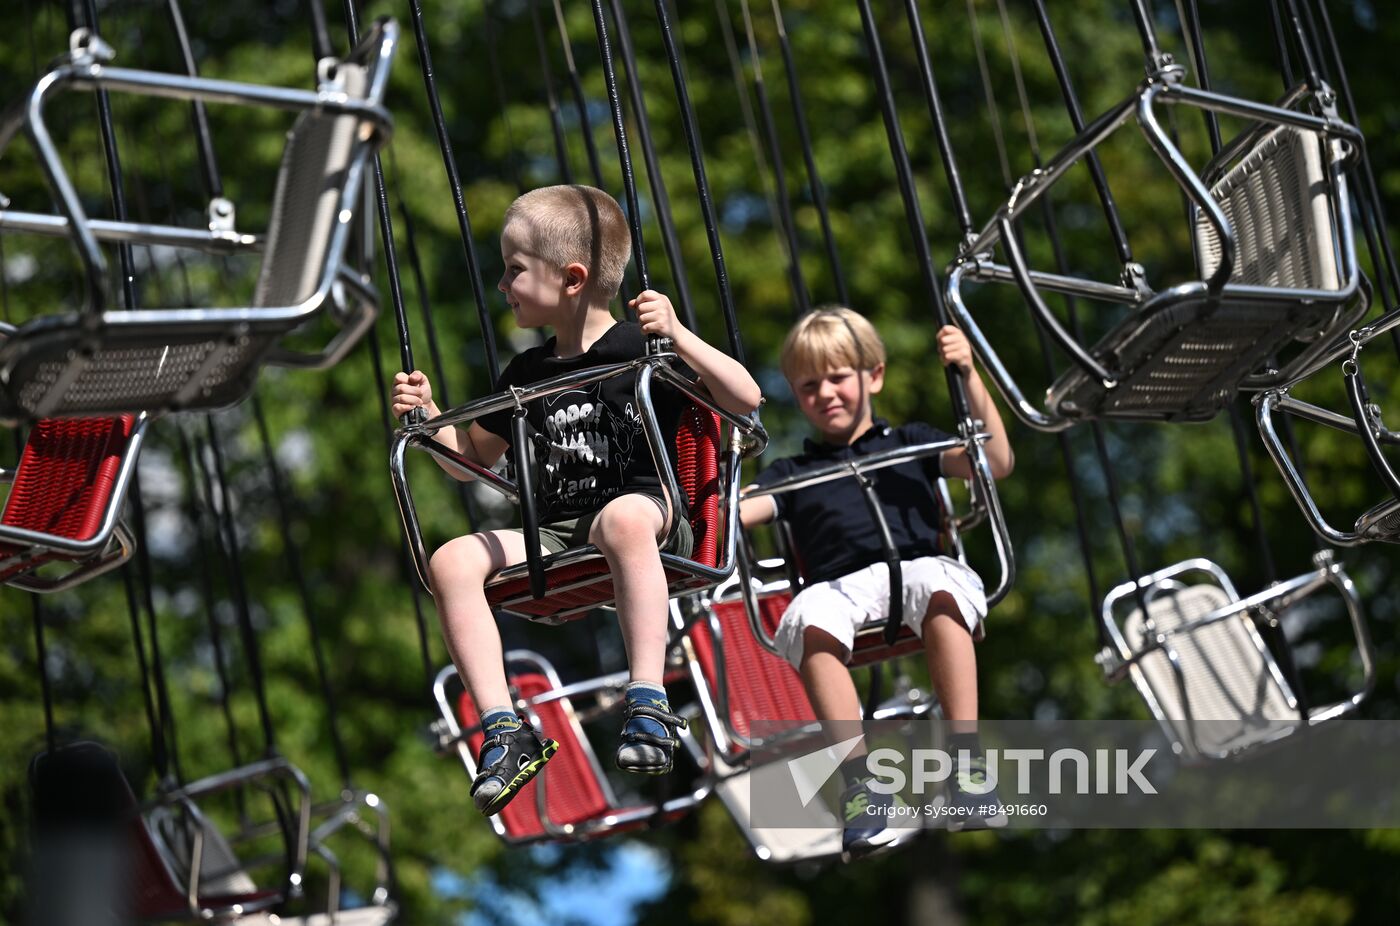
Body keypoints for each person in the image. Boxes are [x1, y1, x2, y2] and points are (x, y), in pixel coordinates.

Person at [392, 185, 762, 816]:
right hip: (560, 534)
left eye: (514, 270)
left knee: (618, 520)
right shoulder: (526, 375)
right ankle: (505, 731)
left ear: (572, 278)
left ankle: (647, 698)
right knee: (451, 559)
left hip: (647, 514)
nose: (502, 285)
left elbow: (745, 399)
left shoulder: (641, 351)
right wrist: (427, 419)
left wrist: (678, 333)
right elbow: (470, 462)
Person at [738, 307, 1014, 858]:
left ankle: (965, 762)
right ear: (796, 395)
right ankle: (862, 787)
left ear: (874, 377)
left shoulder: (909, 442)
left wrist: (969, 374)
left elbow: (996, 461)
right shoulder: (792, 475)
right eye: (810, 385)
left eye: (839, 377)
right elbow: (733, 514)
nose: (827, 394)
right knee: (807, 618)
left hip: (917, 567)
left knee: (941, 590)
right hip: (838, 588)